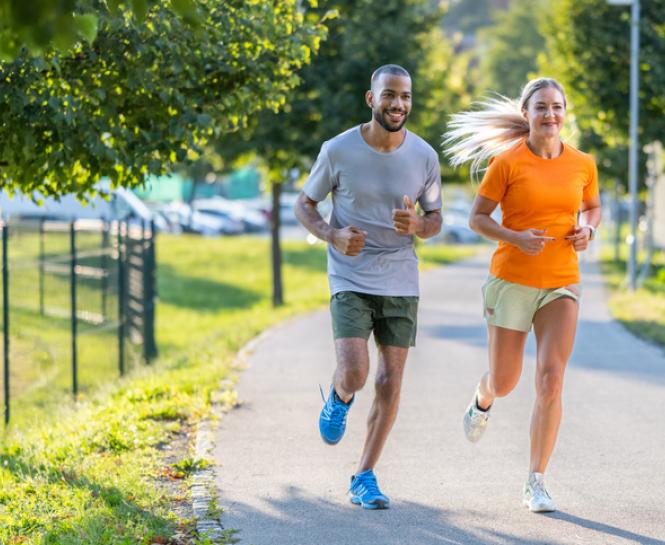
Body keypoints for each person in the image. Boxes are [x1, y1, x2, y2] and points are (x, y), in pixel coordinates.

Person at [443, 77, 601, 512]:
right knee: (506, 381)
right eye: (542, 107)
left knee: (551, 379)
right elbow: (477, 218)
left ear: (564, 112)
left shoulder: (583, 163)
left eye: (557, 107)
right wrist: (514, 236)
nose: (550, 114)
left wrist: (588, 228)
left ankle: (536, 481)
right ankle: (483, 397)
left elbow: (592, 206)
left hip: (561, 282)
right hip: (512, 280)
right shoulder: (507, 163)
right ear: (526, 113)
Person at [295, 64, 442, 510]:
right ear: (371, 98)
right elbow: (305, 203)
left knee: (389, 381)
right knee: (357, 372)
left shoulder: (424, 156)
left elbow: (436, 220)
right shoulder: (338, 150)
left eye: (406, 96)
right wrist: (331, 234)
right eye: (390, 95)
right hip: (350, 273)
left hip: (400, 275)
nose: (399, 104)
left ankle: (363, 476)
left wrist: (418, 223)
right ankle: (340, 396)